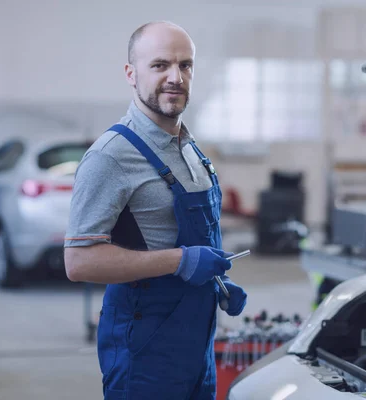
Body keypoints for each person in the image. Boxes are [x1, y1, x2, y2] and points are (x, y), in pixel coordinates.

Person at [63, 21, 248, 400]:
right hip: (145, 351)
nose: (175, 77)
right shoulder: (110, 156)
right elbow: (78, 262)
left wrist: (216, 286)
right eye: (160, 65)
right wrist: (179, 261)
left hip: (197, 346)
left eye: (185, 65)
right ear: (131, 74)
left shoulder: (189, 147)